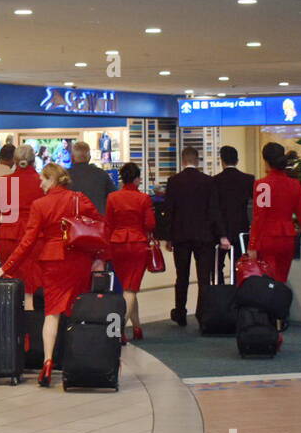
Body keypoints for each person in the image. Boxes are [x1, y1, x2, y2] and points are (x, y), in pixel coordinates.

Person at [0, 163, 100, 387]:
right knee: (76, 311)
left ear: (52, 180)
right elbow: (98, 224)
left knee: (52, 312)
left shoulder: (40, 205)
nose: (40, 184)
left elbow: (27, 243)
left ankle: (47, 363)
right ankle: (74, 362)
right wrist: (100, 256)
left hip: (52, 261)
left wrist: (4, 268)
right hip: (78, 260)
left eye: (43, 180)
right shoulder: (79, 199)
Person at [163, 146, 230, 326]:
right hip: (204, 237)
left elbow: (169, 211)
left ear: (183, 160)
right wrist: (222, 235)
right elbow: (214, 210)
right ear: (197, 160)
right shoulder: (208, 181)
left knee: (181, 276)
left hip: (181, 236)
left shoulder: (174, 181)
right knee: (203, 278)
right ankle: (202, 314)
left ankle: (180, 313)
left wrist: (168, 237)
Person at [248, 142, 301, 283]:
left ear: (265, 161)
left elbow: (259, 217)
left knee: (268, 283)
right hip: (287, 240)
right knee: (281, 281)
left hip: (267, 239)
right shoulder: (294, 185)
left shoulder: (263, 185)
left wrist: (252, 245)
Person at [0, 143, 43, 309]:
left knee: (10, 287)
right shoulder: (41, 181)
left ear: (15, 160)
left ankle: (9, 329)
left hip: (7, 238)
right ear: (34, 160)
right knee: (30, 288)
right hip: (34, 239)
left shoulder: (3, 182)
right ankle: (29, 331)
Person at [105, 162, 156, 343]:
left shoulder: (112, 197)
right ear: (136, 179)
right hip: (137, 245)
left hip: (117, 245)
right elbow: (150, 224)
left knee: (128, 288)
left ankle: (137, 327)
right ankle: (118, 331)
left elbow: (108, 224)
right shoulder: (144, 198)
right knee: (131, 289)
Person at [213, 145, 255, 280]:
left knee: (216, 266)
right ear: (237, 161)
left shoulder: (214, 181)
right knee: (239, 266)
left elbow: (213, 208)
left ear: (222, 161)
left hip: (219, 231)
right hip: (241, 229)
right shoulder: (248, 179)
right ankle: (238, 293)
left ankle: (220, 293)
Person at [68, 140, 114, 214]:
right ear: (89, 157)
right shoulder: (102, 174)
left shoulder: (65, 176)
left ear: (72, 158)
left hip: (73, 221)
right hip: (97, 221)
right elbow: (113, 197)